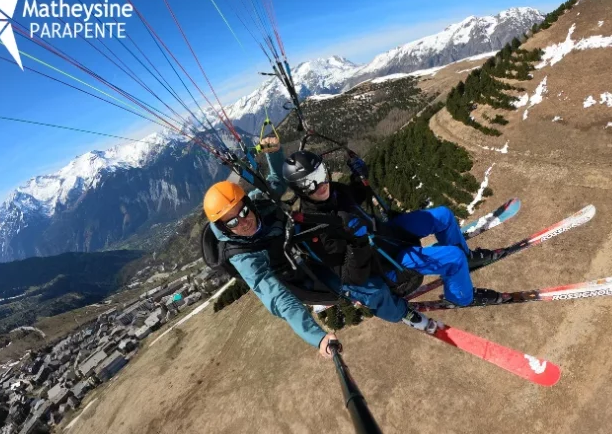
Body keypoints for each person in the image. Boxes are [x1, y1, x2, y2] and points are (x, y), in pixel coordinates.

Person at [204, 136, 385, 359]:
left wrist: (274, 153)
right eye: (232, 222)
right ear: (223, 227)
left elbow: (275, 183)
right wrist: (317, 337)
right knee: (363, 287)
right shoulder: (243, 257)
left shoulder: (259, 202)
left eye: (243, 212)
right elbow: (278, 297)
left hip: (304, 243)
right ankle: (393, 303)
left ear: (248, 204)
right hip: (299, 275)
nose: (243, 222)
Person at [280, 150, 504, 309]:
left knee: (443, 215)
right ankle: (461, 297)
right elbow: (351, 278)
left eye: (320, 175)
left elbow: (357, 198)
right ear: (298, 190)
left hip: (388, 233)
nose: (321, 185)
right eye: (309, 184)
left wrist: (359, 178)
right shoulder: (315, 228)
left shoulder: (335, 190)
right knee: (453, 258)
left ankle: (466, 259)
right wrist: (357, 243)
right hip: (388, 262)